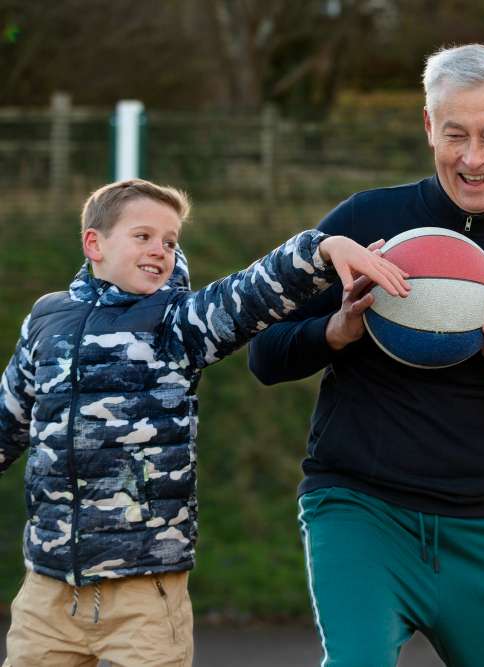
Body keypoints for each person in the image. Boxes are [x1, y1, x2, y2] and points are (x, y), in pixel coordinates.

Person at [248, 44, 484, 666]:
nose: (472, 158)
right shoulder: (365, 220)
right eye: (454, 134)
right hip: (359, 511)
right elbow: (263, 355)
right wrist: (336, 331)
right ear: (428, 127)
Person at [0, 178, 409, 667]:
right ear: (95, 243)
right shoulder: (47, 320)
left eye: (171, 241)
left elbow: (247, 295)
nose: (161, 250)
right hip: (48, 591)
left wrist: (321, 251)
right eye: (144, 236)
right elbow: (9, 418)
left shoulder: (176, 324)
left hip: (144, 595)